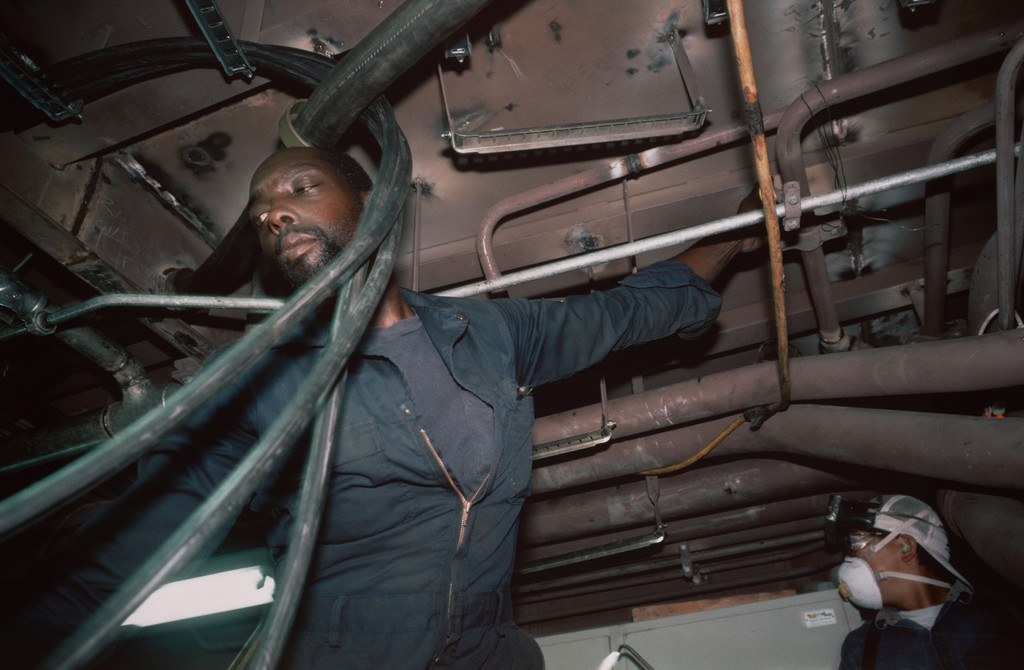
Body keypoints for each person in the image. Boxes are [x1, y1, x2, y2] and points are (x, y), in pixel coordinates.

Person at [7, 146, 760, 669]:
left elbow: (634, 311)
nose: (273, 214)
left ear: (368, 205)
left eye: (299, 188)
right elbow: (128, 552)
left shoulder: (492, 334)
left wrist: (740, 230)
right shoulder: (261, 387)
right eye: (261, 211)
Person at [826, 494, 1023, 670]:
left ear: (906, 547)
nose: (850, 557)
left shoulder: (1001, 617)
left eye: (858, 541)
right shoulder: (860, 647)